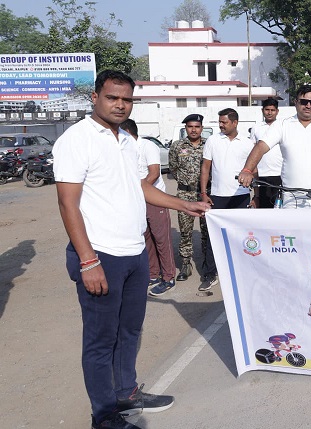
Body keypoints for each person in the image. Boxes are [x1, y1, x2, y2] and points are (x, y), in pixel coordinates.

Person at [53, 70, 209, 429]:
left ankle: (125, 394)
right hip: (100, 254)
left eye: (127, 99)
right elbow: (67, 203)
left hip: (134, 253)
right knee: (100, 340)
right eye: (112, 97)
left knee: (129, 331)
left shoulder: (126, 140)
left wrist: (183, 204)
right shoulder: (77, 139)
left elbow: (140, 187)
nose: (120, 105)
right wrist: (88, 260)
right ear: (95, 98)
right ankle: (104, 415)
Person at [238, 85, 311, 209]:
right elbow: (261, 147)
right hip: (292, 198)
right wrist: (247, 170)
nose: (308, 106)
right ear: (296, 102)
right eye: (304, 102)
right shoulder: (282, 125)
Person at [119, 119, 177, 297]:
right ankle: (153, 274)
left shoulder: (147, 146)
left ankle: (168, 277)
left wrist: (138, 191)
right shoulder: (124, 149)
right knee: (146, 239)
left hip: (154, 199)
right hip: (137, 201)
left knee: (161, 239)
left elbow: (154, 173)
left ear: (128, 132)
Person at [199, 108, 253, 291]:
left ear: (235, 122)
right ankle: (210, 274)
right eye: (219, 122)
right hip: (217, 197)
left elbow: (254, 170)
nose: (221, 125)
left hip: (241, 196)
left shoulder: (247, 143)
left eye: (224, 122)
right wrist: (204, 193)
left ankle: (240, 273)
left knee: (240, 236)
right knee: (214, 237)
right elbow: (205, 168)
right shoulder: (213, 140)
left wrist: (255, 196)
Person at [169, 114, 211, 283]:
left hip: (205, 194)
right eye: (190, 126)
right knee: (185, 231)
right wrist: (185, 182)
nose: (193, 130)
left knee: (207, 231)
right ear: (185, 128)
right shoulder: (177, 146)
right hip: (185, 194)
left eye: (197, 126)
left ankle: (207, 264)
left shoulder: (209, 145)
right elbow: (173, 167)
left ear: (202, 128)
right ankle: (186, 264)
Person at [249, 99, 283, 209]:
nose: (269, 112)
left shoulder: (282, 126)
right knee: (264, 209)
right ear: (262, 110)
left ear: (277, 111)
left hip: (280, 175)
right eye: (267, 109)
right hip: (262, 175)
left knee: (281, 210)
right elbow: (253, 150)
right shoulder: (256, 128)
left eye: (272, 110)